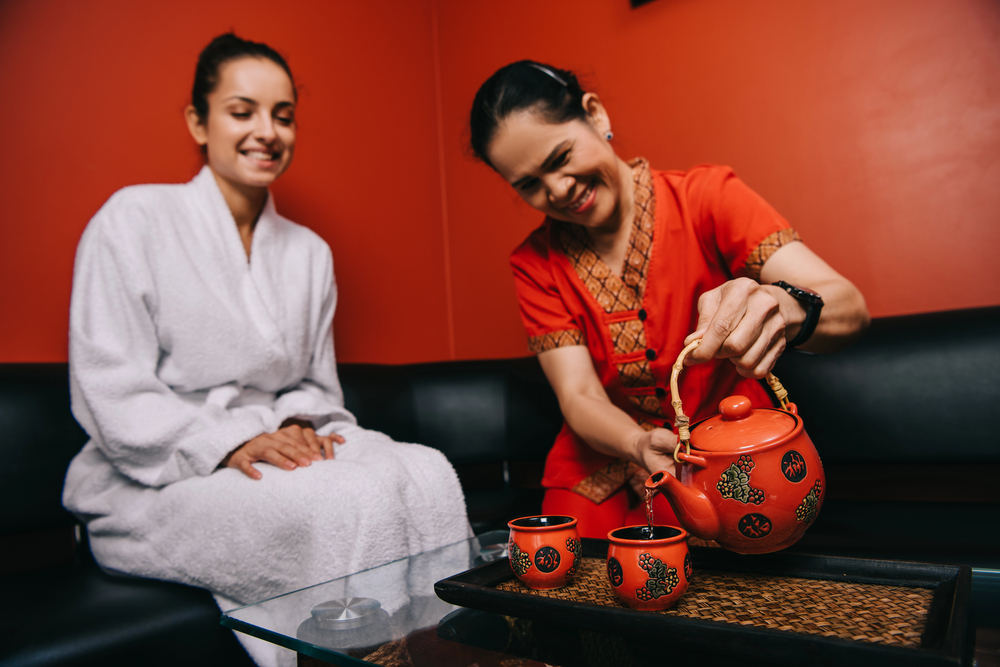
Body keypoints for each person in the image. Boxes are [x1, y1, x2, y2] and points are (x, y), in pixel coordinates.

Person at [63, 34, 470, 666]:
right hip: (157, 474)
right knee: (347, 498)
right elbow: (111, 386)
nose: (267, 131)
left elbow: (313, 383)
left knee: (425, 473)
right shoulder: (132, 220)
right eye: (242, 110)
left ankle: (452, 655)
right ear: (198, 122)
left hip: (277, 435)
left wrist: (295, 424)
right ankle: (357, 657)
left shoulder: (308, 251)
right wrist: (223, 443)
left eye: (283, 115)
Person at [469, 61, 870, 539]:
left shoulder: (707, 198)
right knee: (558, 577)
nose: (557, 189)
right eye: (528, 185)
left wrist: (786, 306)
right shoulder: (534, 264)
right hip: (599, 460)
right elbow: (579, 395)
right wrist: (637, 443)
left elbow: (849, 308)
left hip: (725, 454)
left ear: (595, 116)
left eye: (560, 158)